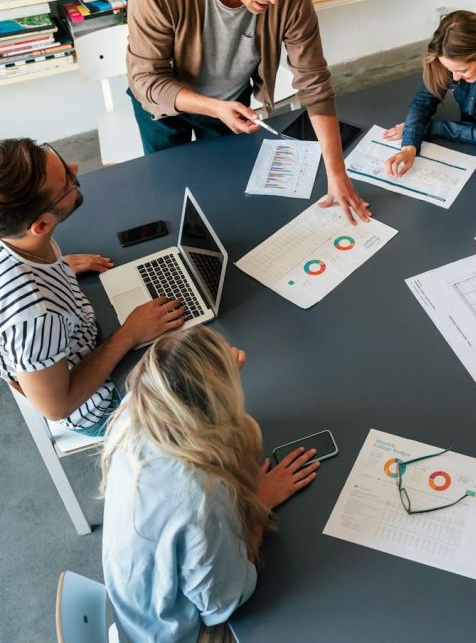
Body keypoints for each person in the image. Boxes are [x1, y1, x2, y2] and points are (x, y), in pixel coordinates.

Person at [127, 0, 369, 224]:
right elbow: (146, 79)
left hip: (232, 102)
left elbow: (314, 83)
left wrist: (336, 172)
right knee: (172, 195)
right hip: (165, 107)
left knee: (230, 193)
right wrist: (213, 107)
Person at [101, 327, 319, 643]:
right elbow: (224, 603)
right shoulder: (200, 496)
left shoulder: (134, 408)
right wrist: (260, 505)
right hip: (178, 634)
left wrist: (214, 375)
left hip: (136, 612)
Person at [0, 139, 184, 435]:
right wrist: (130, 333)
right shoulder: (34, 318)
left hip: (80, 334)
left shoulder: (22, 241)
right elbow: (57, 407)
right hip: (101, 403)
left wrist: (57, 267)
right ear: (41, 226)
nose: (75, 168)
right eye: (67, 183)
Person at [382, 10, 476, 177]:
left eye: (462, 70)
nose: (454, 77)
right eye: (450, 70)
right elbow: (424, 100)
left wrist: (425, 128)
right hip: (466, 136)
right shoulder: (449, 56)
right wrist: (409, 145)